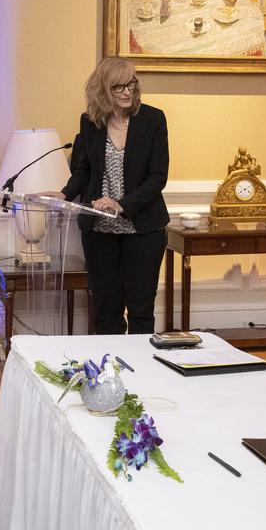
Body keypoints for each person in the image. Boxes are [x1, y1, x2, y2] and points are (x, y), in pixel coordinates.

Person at [59, 58, 169, 335]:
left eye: (131, 83)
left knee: (141, 308)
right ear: (103, 90)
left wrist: (121, 205)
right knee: (107, 310)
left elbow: (157, 177)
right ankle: (111, 372)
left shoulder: (153, 120)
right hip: (99, 231)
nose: (127, 91)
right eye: (118, 86)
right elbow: (83, 169)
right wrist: (63, 193)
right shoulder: (90, 122)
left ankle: (142, 373)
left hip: (143, 229)